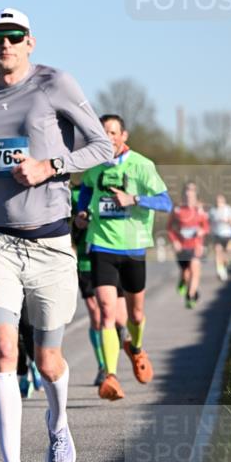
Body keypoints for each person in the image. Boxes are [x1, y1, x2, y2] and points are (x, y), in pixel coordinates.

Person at [0, 8, 112, 462]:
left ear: (30, 42)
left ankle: (59, 425)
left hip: (50, 242)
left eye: (14, 36)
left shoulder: (55, 84)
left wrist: (50, 166)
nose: (6, 44)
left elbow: (103, 147)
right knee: (4, 350)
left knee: (48, 361)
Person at [75, 114, 172, 401]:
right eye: (104, 132)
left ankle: (137, 348)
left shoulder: (142, 166)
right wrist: (81, 214)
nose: (109, 137)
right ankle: (111, 376)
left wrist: (135, 200)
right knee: (106, 312)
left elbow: (166, 202)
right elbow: (86, 192)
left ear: (123, 136)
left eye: (113, 132)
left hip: (133, 249)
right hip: (102, 246)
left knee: (136, 314)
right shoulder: (93, 165)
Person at [70, 183, 127, 386]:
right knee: (96, 314)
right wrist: (78, 222)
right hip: (86, 259)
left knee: (118, 318)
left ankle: (120, 333)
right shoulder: (74, 193)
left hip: (113, 256)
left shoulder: (115, 187)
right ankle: (104, 367)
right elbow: (67, 226)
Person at [167, 181, 210, 308]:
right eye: (187, 194)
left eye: (192, 194)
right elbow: (169, 228)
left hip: (196, 246)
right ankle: (182, 281)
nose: (189, 196)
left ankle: (190, 296)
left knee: (195, 270)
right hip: (182, 247)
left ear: (196, 195)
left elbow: (207, 227)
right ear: (183, 196)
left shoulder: (200, 210)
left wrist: (202, 231)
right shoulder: (177, 210)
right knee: (186, 273)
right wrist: (174, 241)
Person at [209, 194, 231, 280]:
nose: (218, 203)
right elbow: (208, 222)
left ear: (224, 201)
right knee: (218, 252)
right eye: (217, 201)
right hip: (217, 235)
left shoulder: (228, 210)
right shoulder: (212, 211)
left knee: (227, 254)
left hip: (228, 234)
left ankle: (224, 266)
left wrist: (227, 221)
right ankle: (220, 271)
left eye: (220, 201)